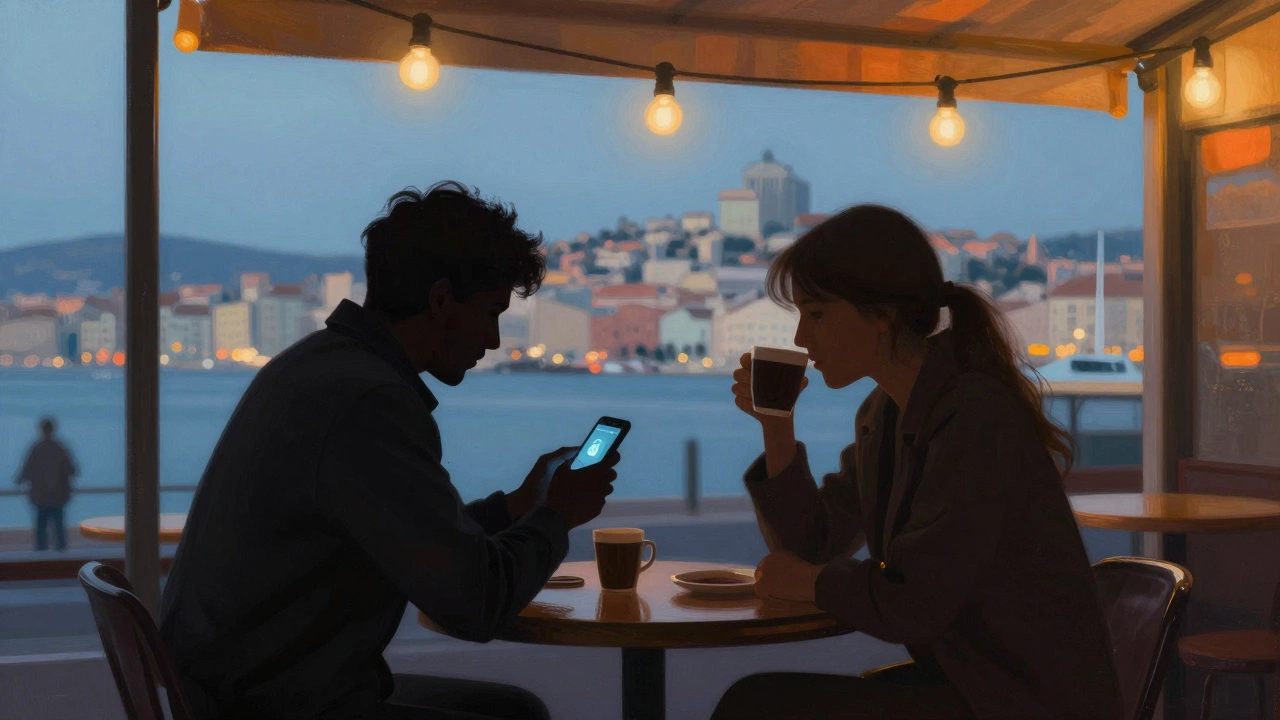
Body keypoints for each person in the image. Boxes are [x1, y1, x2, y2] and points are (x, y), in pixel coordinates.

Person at [160, 182, 620, 720]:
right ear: (443, 300)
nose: (493, 342)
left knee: (512, 710)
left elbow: (412, 536)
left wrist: (518, 506)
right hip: (274, 704)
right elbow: (476, 603)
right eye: (491, 312)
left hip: (236, 688)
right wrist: (556, 515)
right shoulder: (370, 403)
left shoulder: (322, 365)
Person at [710, 205, 1123, 720]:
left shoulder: (973, 417)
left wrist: (808, 583)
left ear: (882, 315)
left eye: (816, 314)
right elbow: (812, 545)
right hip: (973, 686)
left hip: (1021, 701)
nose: (800, 339)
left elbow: (912, 604)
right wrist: (777, 427)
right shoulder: (886, 413)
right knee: (758, 703)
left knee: (757, 708)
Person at [15, 417, 78, 551]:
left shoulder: (37, 449)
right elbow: (72, 470)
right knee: (59, 534)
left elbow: (24, 472)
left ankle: (41, 562)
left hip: (41, 498)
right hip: (58, 497)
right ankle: (61, 561)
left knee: (41, 535)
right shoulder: (60, 449)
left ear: (41, 430)